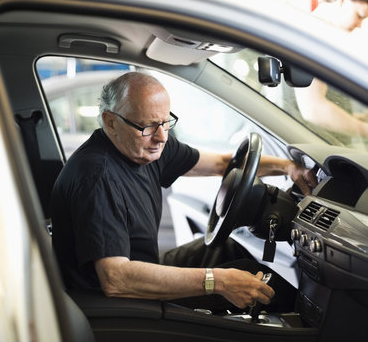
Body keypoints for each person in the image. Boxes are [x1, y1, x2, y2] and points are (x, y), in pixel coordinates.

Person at [51, 71, 317, 312]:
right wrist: (218, 282)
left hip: (141, 270)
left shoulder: (144, 147)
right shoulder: (98, 177)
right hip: (120, 306)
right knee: (249, 278)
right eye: (147, 126)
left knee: (227, 250)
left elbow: (222, 163)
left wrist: (288, 167)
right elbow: (116, 279)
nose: (162, 137)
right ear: (110, 122)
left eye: (166, 122)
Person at [295, 0, 368, 142]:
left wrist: (364, 118)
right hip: (305, 146)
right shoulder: (313, 37)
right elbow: (313, 110)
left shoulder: (321, 34)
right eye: (359, 15)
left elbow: (324, 102)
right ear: (342, 0)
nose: (359, 25)